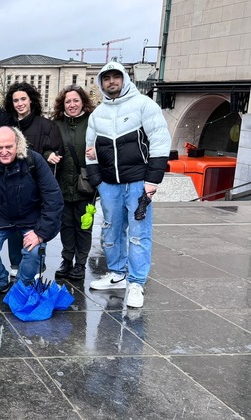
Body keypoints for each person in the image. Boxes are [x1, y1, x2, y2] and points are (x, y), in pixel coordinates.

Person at [85, 62, 171, 308]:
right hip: (109, 184)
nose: (111, 82)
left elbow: (159, 141)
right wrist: (97, 182)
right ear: (101, 83)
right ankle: (116, 274)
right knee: (110, 231)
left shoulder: (144, 105)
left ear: (124, 79)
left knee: (139, 234)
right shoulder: (97, 114)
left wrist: (152, 180)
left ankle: (136, 282)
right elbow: (89, 152)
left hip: (137, 183)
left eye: (116, 77)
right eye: (106, 78)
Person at [0, 127, 62, 297]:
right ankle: (0, 281)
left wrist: (40, 232)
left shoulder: (33, 160)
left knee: (35, 249)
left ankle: (22, 285)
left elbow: (53, 198)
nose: (4, 152)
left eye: (9, 147)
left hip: (30, 219)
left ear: (17, 145)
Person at [3, 82, 63, 277]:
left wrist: (50, 154)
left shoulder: (46, 125)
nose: (19, 103)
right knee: (13, 227)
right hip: (11, 184)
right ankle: (15, 264)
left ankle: (37, 264)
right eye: (15, 100)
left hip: (35, 186)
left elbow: (54, 149)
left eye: (23, 99)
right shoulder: (7, 126)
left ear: (31, 101)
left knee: (35, 228)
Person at [51, 85, 97, 281]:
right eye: (68, 101)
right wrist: (49, 155)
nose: (72, 105)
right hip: (62, 185)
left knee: (84, 226)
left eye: (76, 101)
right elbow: (47, 147)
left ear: (83, 102)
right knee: (66, 226)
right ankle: (67, 260)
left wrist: (97, 151)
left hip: (85, 186)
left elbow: (105, 145)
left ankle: (80, 263)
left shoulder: (92, 122)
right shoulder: (56, 124)